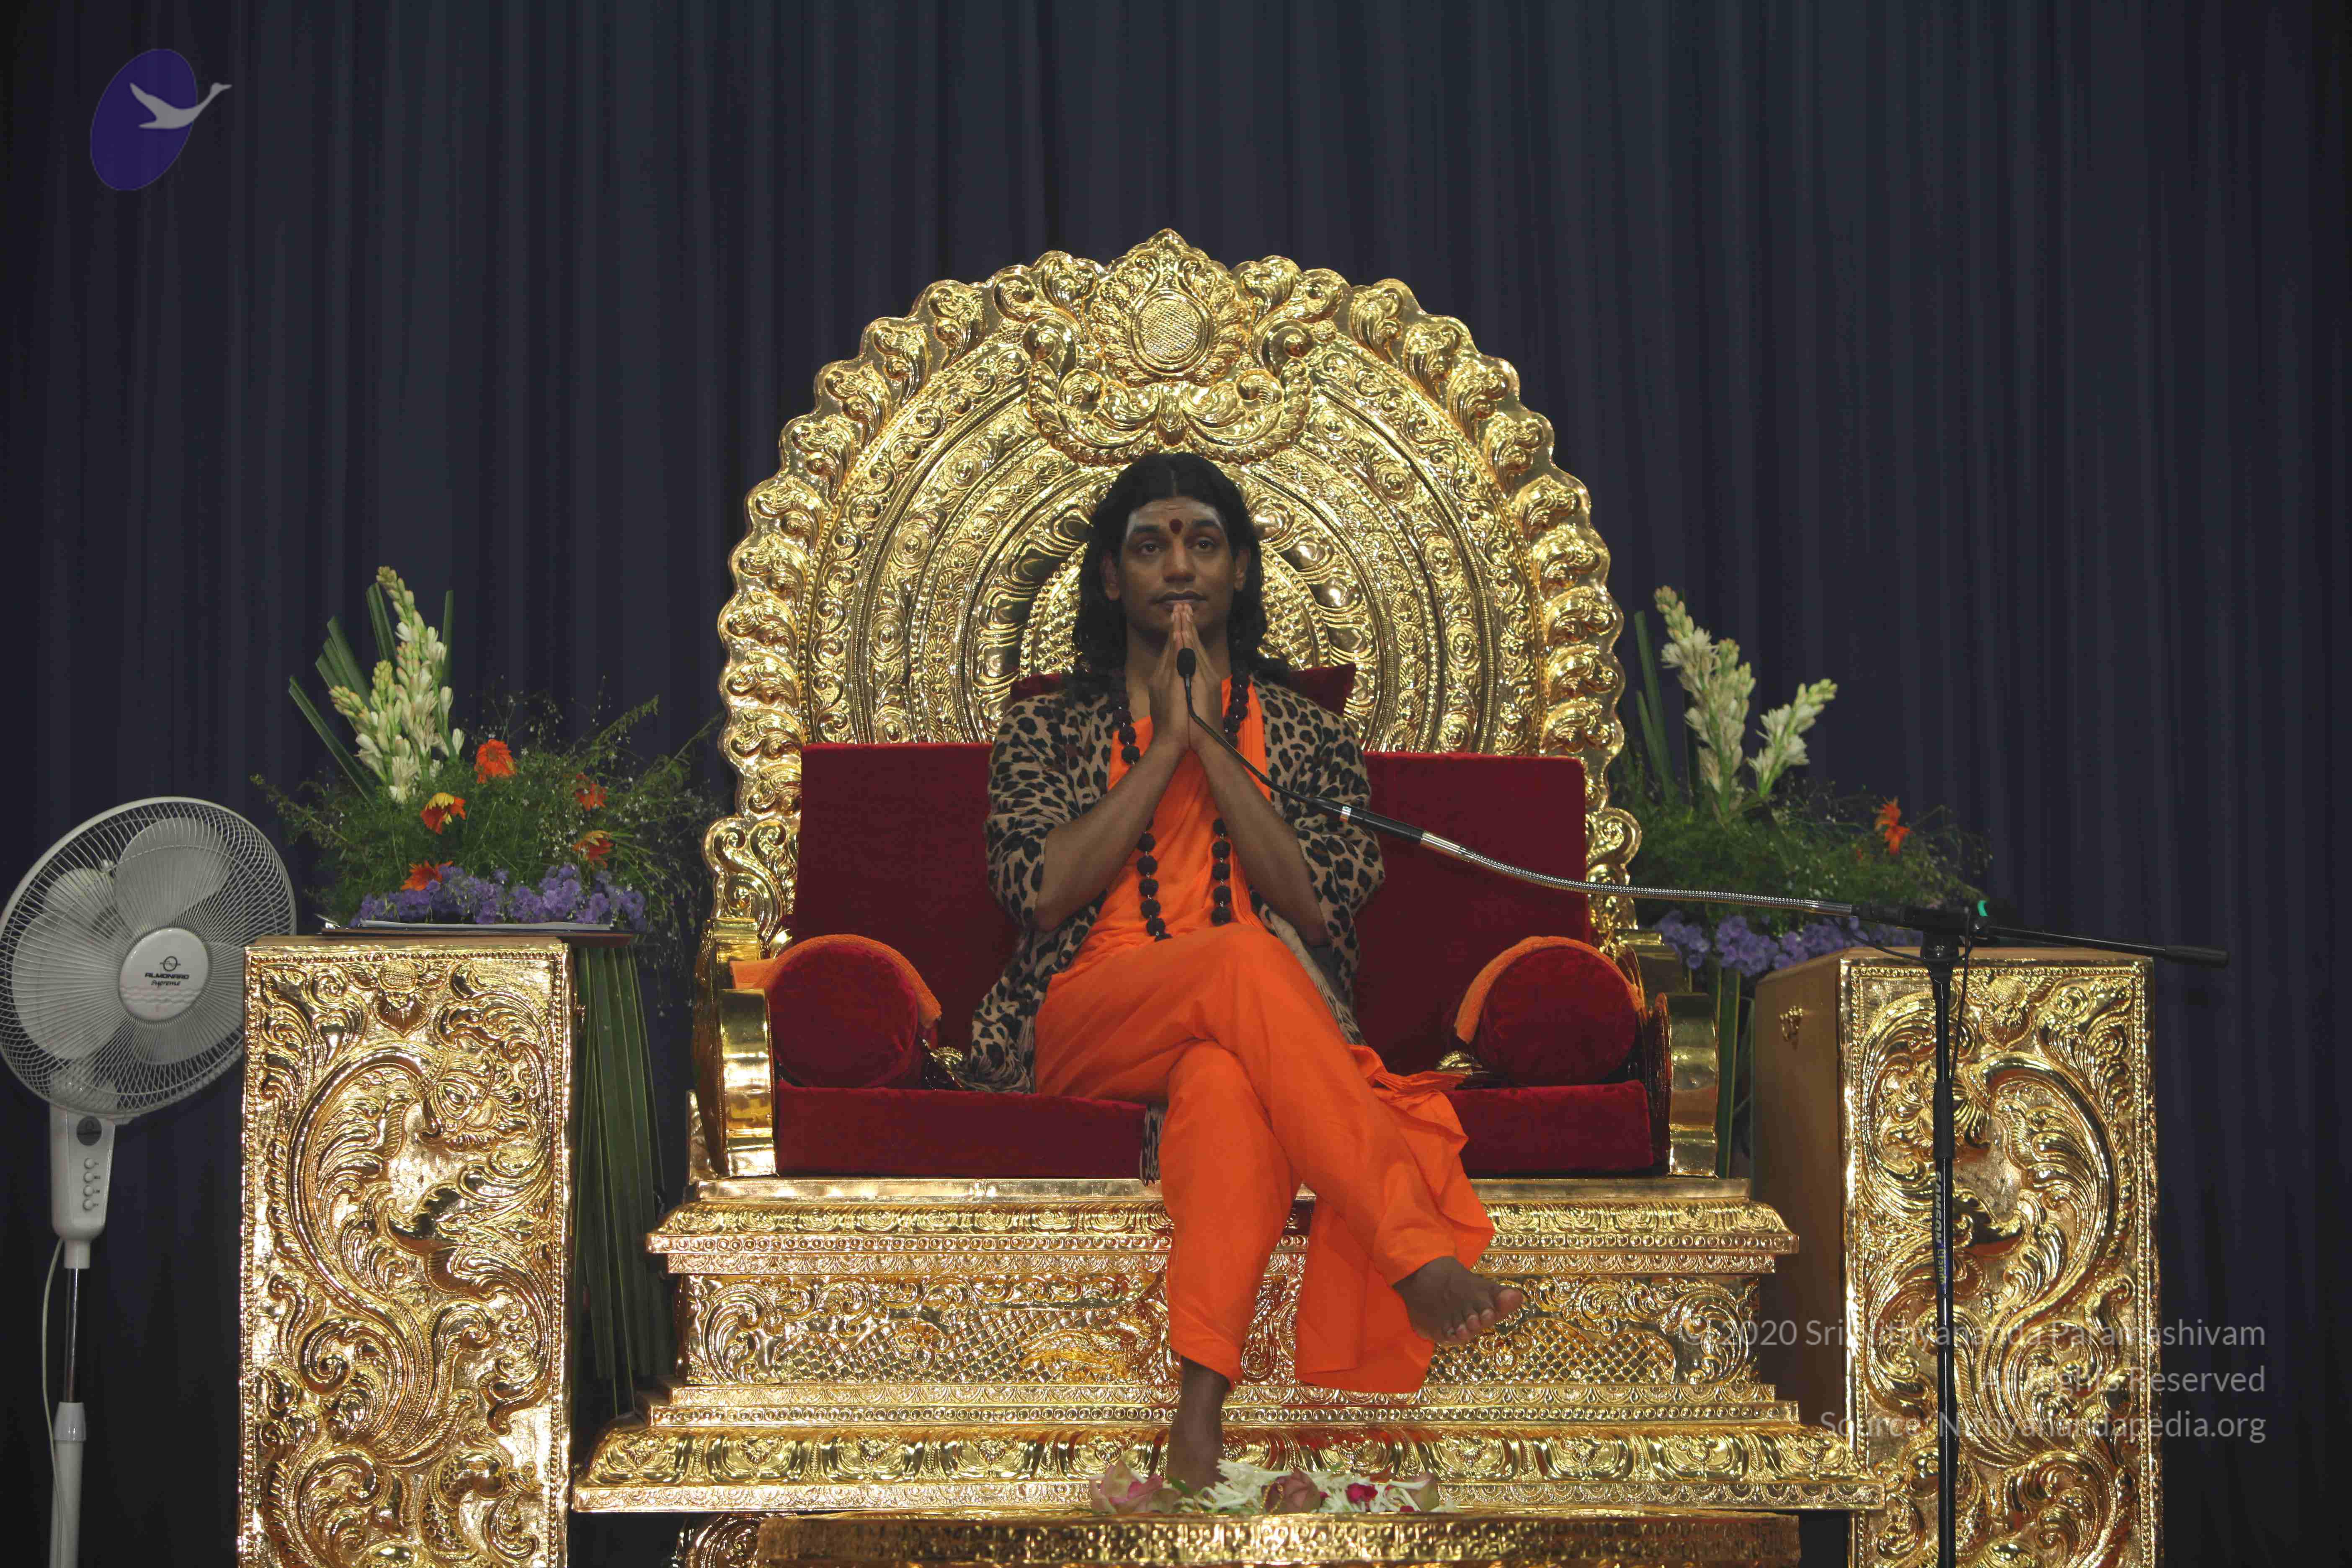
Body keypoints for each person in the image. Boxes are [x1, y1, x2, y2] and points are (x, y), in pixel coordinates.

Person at [968, 451, 1522, 1494]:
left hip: (1245, 1025)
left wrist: (1214, 744)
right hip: (1088, 1016)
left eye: (1203, 543)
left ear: (1241, 570)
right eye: (1150, 546)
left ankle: (1195, 1429)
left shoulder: (1309, 735)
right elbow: (1037, 889)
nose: (1178, 567)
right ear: (1111, 577)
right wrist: (1163, 748)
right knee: (1238, 960)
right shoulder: (1047, 725)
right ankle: (1414, 1254)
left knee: (1226, 1084)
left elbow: (1320, 902)